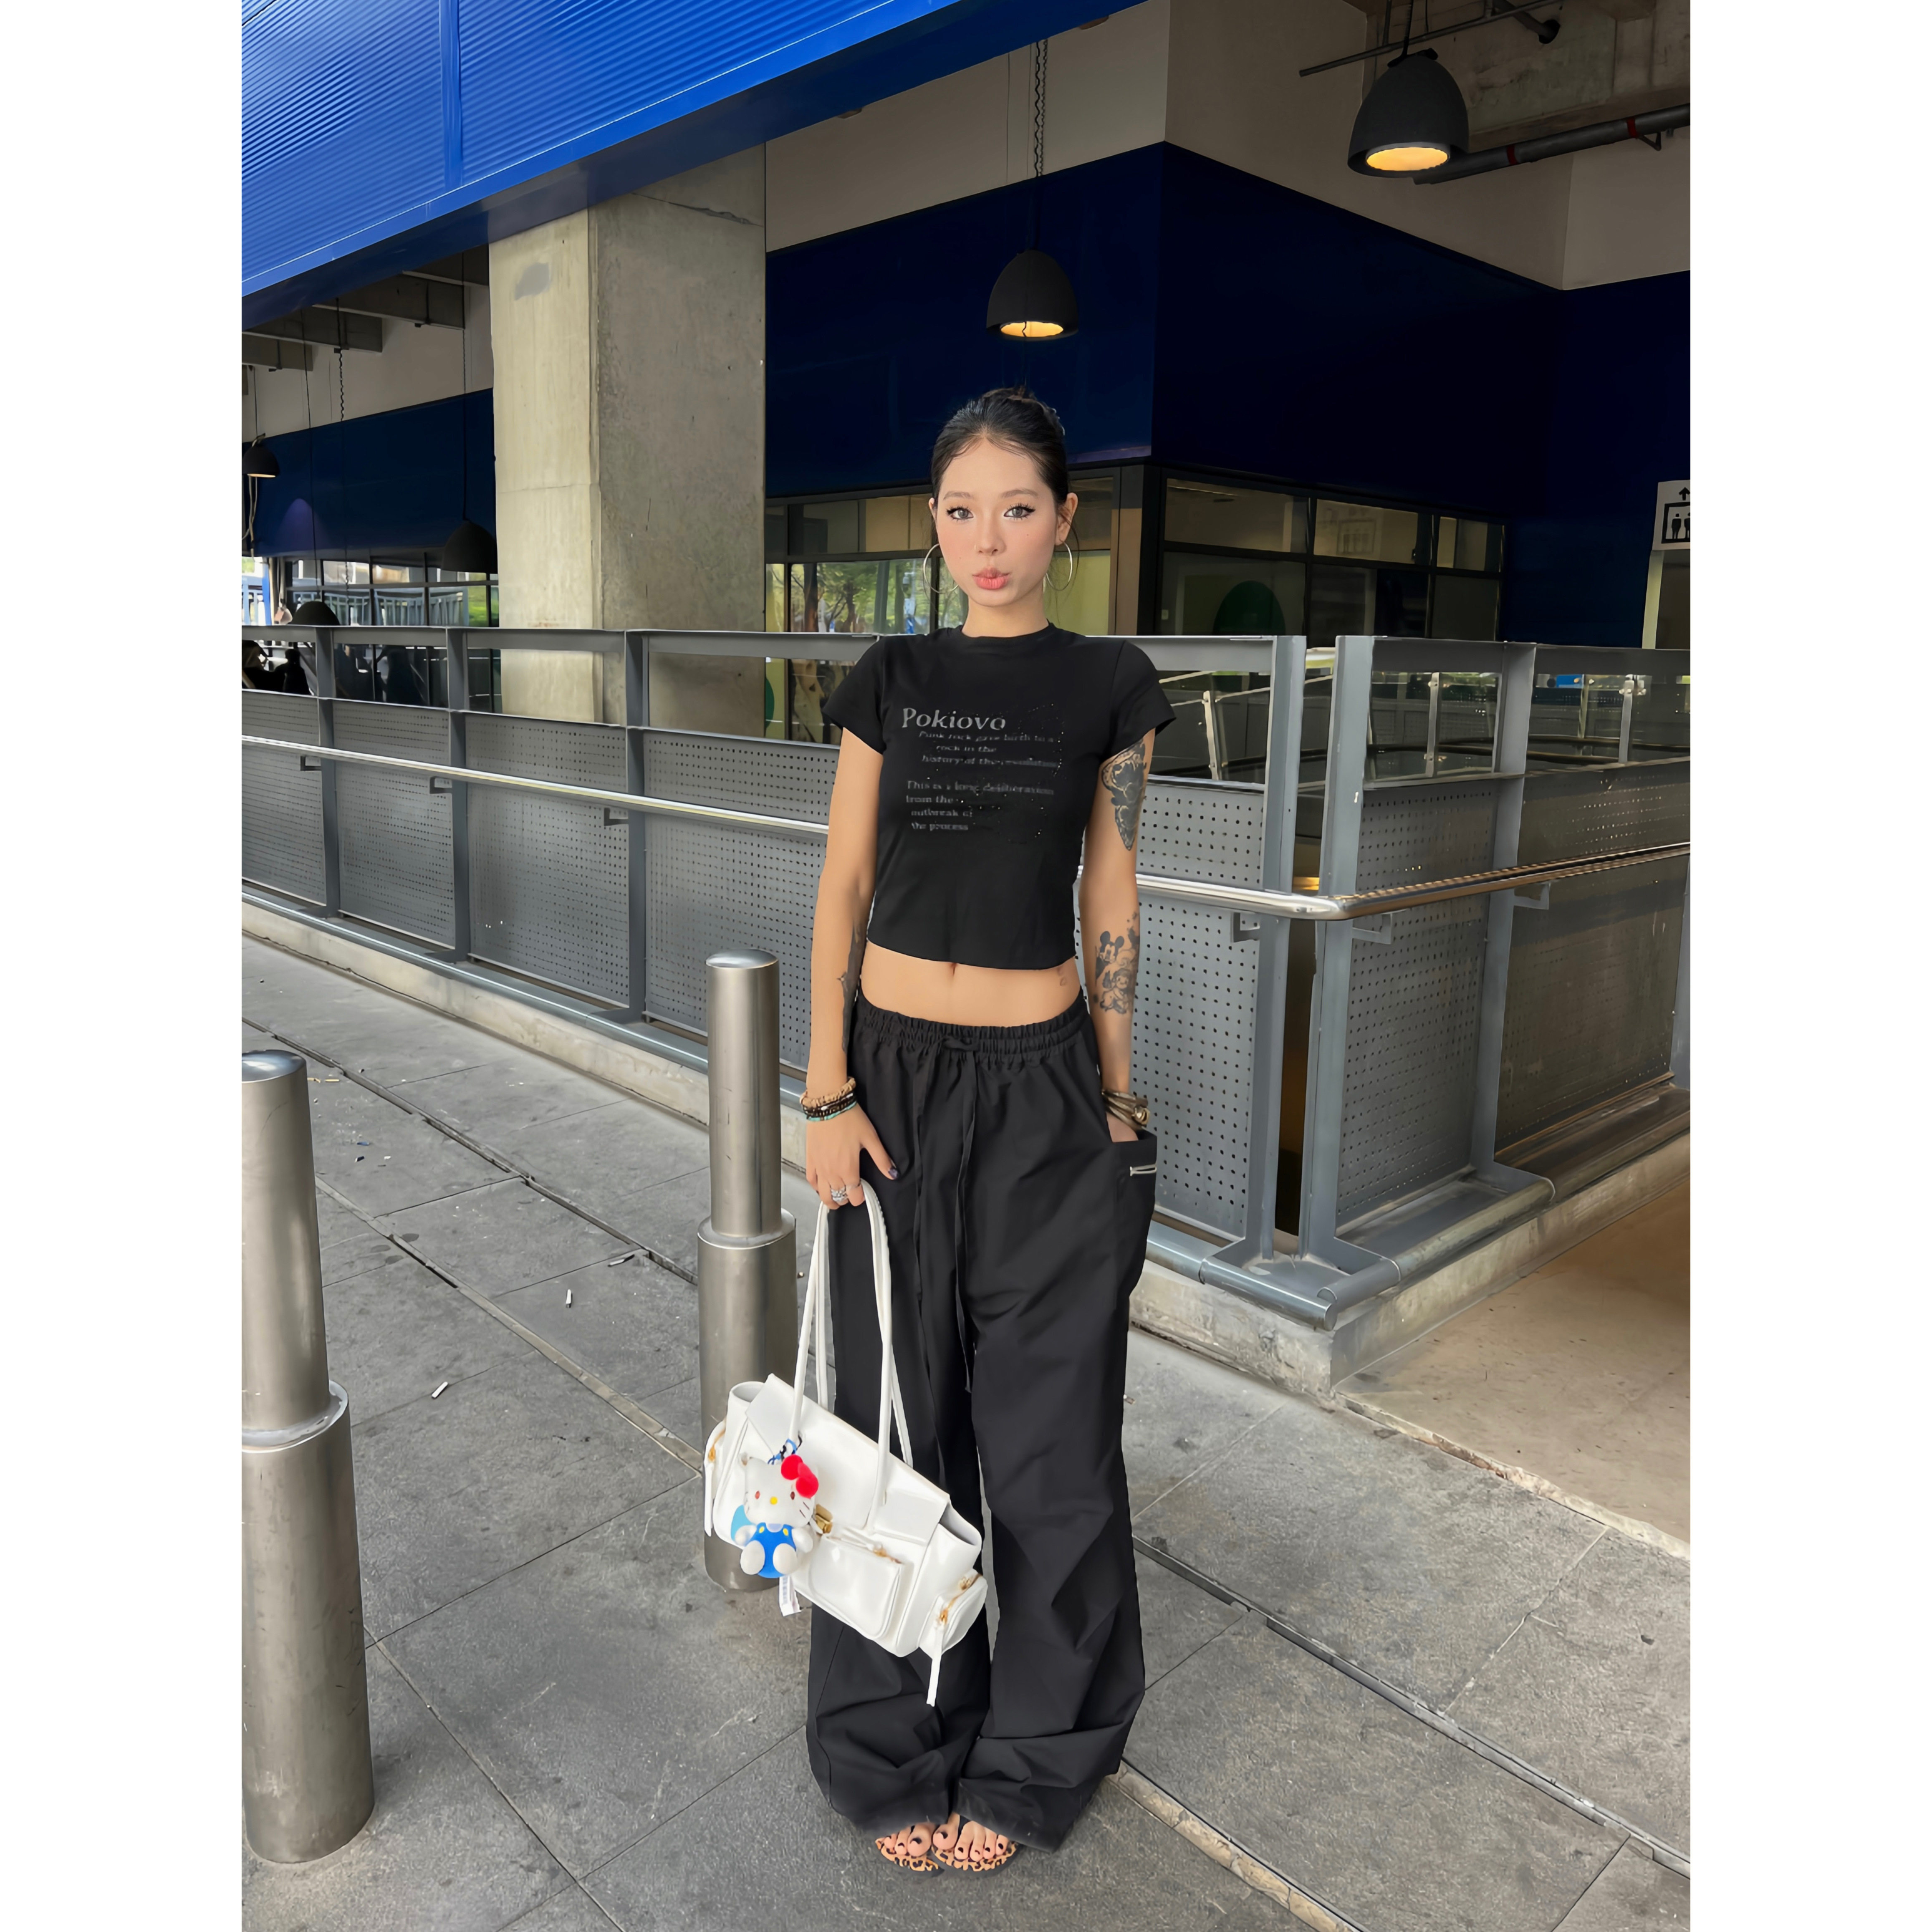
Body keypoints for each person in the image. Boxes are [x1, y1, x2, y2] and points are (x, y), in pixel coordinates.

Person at [801, 388, 1173, 1875]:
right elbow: (841, 885)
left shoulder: (1112, 687)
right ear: (935, 524)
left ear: (1066, 519)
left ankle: (1035, 1756)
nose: (988, 539)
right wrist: (825, 1089)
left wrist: (1119, 1097)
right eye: (962, 511)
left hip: (1043, 1088)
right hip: (889, 1088)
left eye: (1018, 508)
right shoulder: (889, 676)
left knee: (1054, 1436)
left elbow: (1112, 893)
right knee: (893, 1422)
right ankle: (889, 1741)